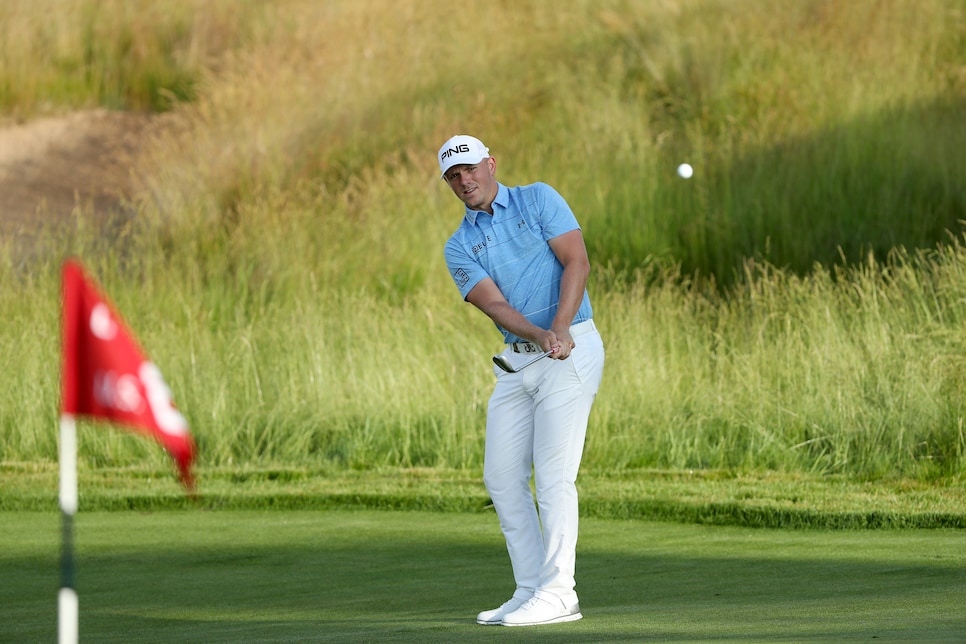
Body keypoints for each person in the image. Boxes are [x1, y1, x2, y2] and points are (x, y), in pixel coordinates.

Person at [438, 134, 605, 627]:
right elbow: (493, 304)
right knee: (502, 476)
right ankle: (531, 587)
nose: (464, 180)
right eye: (453, 176)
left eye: (469, 168)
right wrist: (537, 334)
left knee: (553, 476)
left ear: (490, 163)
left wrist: (558, 328)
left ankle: (560, 594)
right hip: (520, 360)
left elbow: (577, 259)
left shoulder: (537, 198)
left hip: (572, 345)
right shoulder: (459, 245)